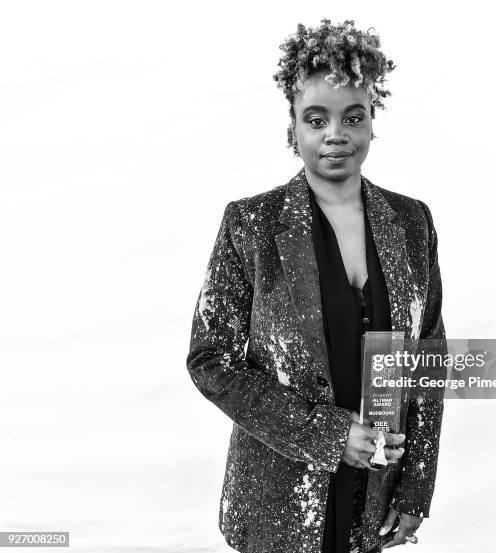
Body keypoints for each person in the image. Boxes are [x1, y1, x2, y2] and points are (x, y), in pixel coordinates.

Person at [186, 18, 446, 553]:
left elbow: (429, 358)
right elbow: (210, 360)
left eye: (353, 117)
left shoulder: (412, 221)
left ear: (373, 122)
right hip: (280, 490)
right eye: (316, 118)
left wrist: (416, 485)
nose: (336, 134)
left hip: (376, 487)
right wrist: (324, 434)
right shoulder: (250, 224)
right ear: (294, 129)